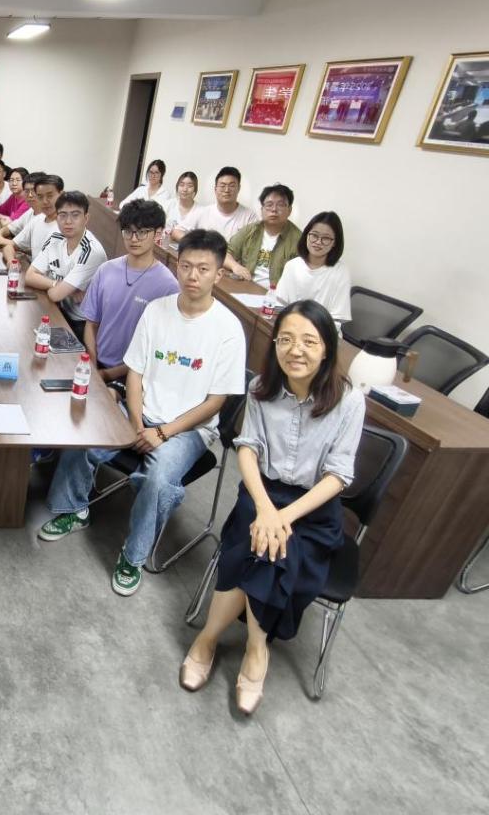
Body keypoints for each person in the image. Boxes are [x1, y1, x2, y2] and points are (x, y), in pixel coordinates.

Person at [38, 229, 246, 599]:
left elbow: (215, 403)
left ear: (218, 274)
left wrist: (162, 433)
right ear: (176, 266)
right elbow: (135, 373)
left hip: (188, 429)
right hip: (141, 411)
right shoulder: (158, 310)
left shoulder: (228, 329)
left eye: (203, 269)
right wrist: (136, 422)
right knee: (85, 430)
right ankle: (74, 509)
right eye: (186, 266)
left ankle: (132, 557)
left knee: (159, 479)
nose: (192, 276)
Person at [180, 300, 364, 715]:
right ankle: (252, 650)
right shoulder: (262, 388)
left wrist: (282, 518)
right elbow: (247, 448)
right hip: (261, 493)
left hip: (312, 509)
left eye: (309, 341)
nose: (296, 350)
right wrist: (265, 508)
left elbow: (338, 475)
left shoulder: (349, 401)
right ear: (275, 344)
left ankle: (221, 641)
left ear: (327, 348)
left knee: (268, 550)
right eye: (286, 340)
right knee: (262, 540)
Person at [79, 199, 179, 388]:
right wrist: (92, 364)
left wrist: (107, 375)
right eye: (128, 231)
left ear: (158, 233)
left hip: (134, 377)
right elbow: (91, 324)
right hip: (95, 365)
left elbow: (156, 349)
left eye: (142, 232)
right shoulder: (106, 270)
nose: (133, 239)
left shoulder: (169, 286)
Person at [24, 190, 107, 334]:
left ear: (86, 218)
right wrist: (57, 284)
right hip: (60, 309)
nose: (68, 221)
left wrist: (53, 286)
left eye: (75, 215)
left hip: (84, 324)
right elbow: (30, 276)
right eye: (62, 215)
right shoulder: (55, 238)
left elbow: (55, 295)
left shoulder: (91, 251)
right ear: (56, 218)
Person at [275, 212, 352, 331]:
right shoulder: (292, 266)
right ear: (307, 235)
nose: (318, 242)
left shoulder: (340, 272)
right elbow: (280, 305)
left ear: (334, 243)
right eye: (314, 235)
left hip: (323, 333)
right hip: (291, 327)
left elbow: (337, 319)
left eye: (326, 238)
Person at [224, 184, 303, 286]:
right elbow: (225, 254)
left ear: (289, 210)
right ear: (262, 209)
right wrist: (235, 266)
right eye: (269, 205)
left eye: (280, 205)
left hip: (277, 293)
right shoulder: (251, 230)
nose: (274, 209)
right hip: (246, 286)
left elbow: (300, 277)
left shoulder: (298, 239)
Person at [172, 166, 259, 243]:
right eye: (222, 186)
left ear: (239, 188)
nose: (226, 190)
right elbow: (177, 232)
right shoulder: (203, 212)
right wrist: (197, 245)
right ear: (215, 189)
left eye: (232, 186)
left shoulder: (249, 217)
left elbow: (254, 246)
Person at [4, 173, 63, 267]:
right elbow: (9, 246)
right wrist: (11, 261)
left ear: (61, 195)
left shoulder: (68, 227)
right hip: (32, 272)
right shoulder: (37, 220)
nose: (45, 201)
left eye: (50, 196)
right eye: (40, 196)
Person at [0, 172, 41, 254]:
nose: (30, 195)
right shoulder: (31, 211)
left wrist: (0, 240)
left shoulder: (45, 217)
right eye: (26, 191)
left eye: (33, 191)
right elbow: (10, 227)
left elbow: (33, 249)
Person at [163, 171, 199, 241]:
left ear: (195, 190)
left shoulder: (200, 212)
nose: (185, 189)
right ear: (177, 187)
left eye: (190, 186)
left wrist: (176, 234)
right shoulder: (169, 204)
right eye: (182, 185)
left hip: (187, 247)